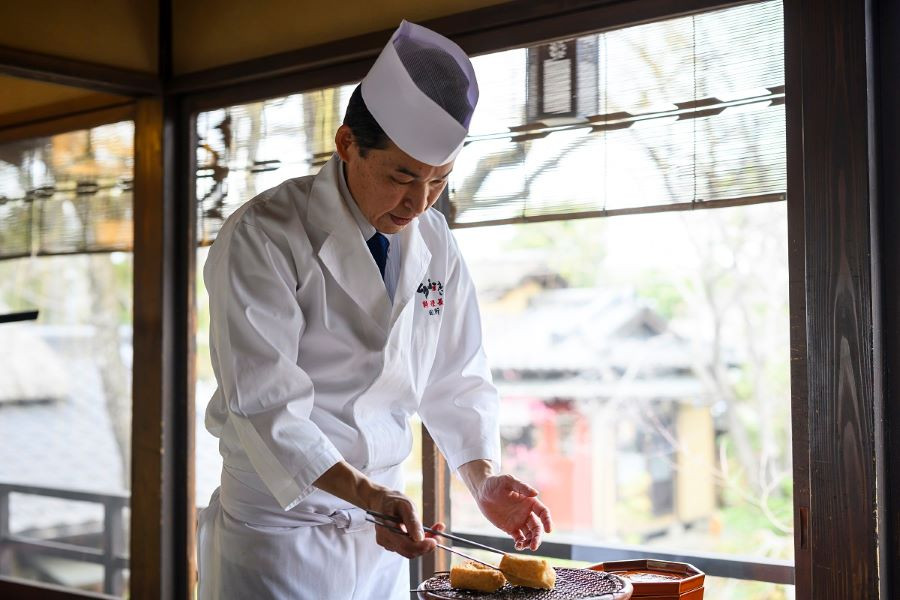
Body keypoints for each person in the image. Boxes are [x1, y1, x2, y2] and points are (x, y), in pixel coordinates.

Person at [197, 20, 553, 600]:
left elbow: (455, 378)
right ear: (347, 145)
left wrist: (483, 480)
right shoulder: (263, 236)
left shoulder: (434, 240)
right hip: (282, 534)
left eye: (439, 181)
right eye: (402, 176)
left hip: (384, 532)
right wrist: (368, 496)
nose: (418, 202)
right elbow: (266, 406)